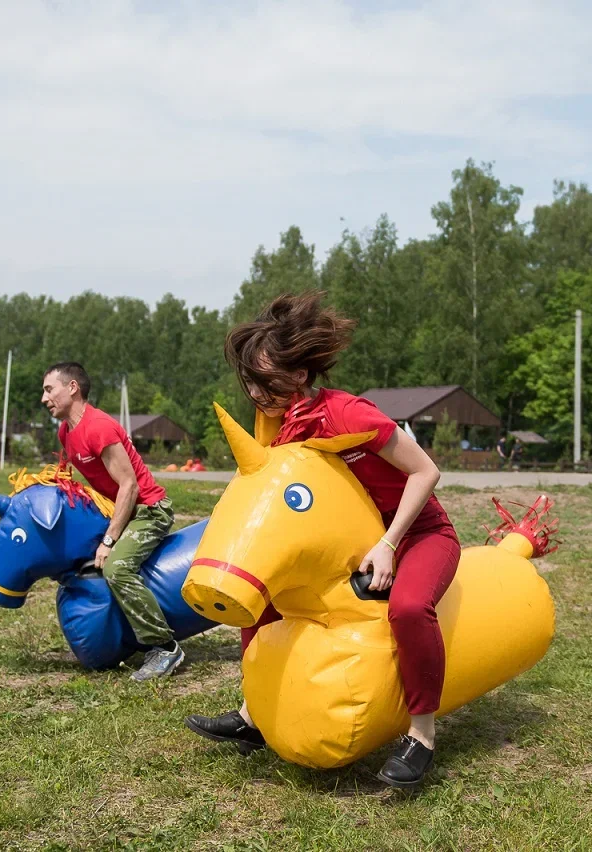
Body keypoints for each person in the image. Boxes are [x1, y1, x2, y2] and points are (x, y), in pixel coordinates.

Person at [184, 291, 458, 789]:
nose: (255, 393)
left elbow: (426, 471)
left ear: (299, 375)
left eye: (264, 381)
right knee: (265, 596)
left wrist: (389, 544)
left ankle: (422, 735)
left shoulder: (346, 413)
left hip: (416, 532)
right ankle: (253, 714)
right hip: (351, 543)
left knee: (408, 608)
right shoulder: (279, 423)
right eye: (249, 382)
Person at [41, 362, 182, 681]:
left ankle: (165, 648)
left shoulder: (98, 427)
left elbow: (129, 486)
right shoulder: (66, 433)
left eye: (49, 389)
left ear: (72, 388)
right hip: (120, 512)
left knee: (116, 568)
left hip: (148, 511)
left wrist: (108, 541)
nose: (44, 398)